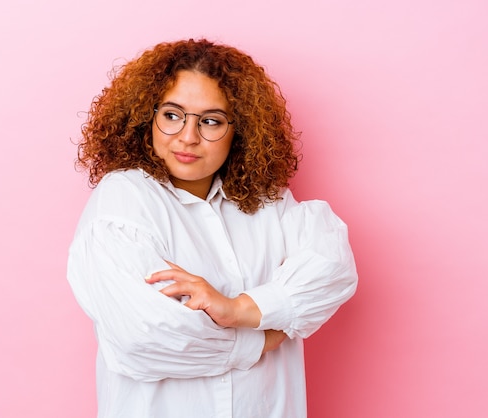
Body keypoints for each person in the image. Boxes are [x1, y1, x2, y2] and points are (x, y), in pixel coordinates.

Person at [67, 38, 358, 418]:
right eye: (172, 115)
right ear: (145, 117)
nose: (188, 137)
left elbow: (331, 268)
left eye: (210, 121)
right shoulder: (124, 201)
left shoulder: (270, 201)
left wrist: (238, 310)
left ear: (240, 129)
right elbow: (143, 336)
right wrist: (263, 336)